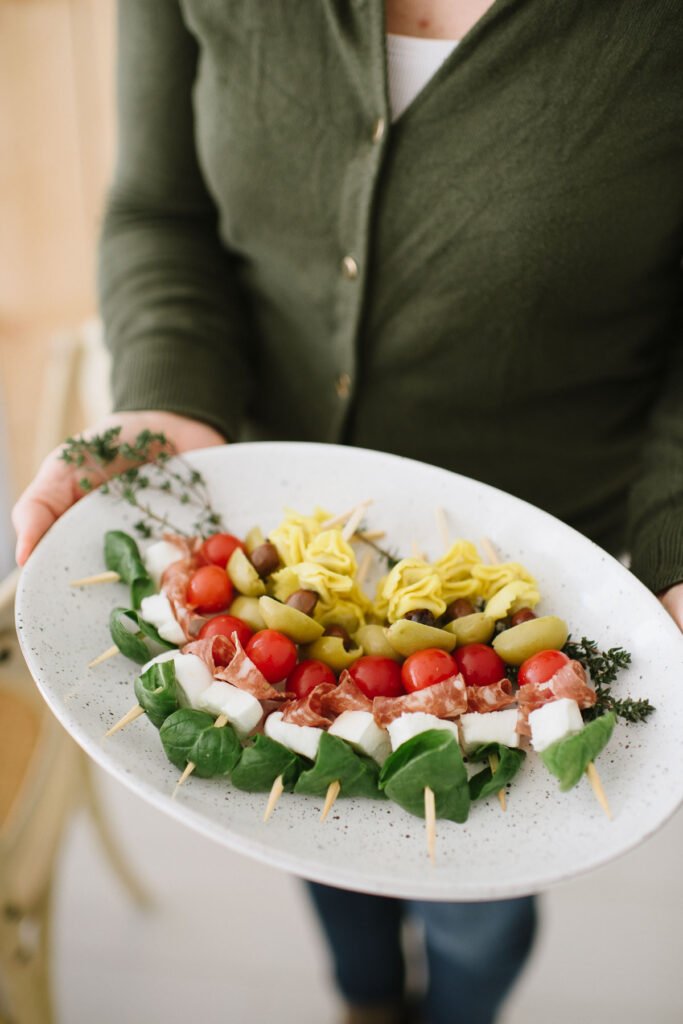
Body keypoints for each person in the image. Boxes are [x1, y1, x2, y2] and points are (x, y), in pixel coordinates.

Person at [12, 2, 683, 1022]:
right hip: (276, 529)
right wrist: (169, 391)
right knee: (321, 807)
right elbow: (160, 209)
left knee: (477, 911)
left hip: (545, 561)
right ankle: (363, 997)